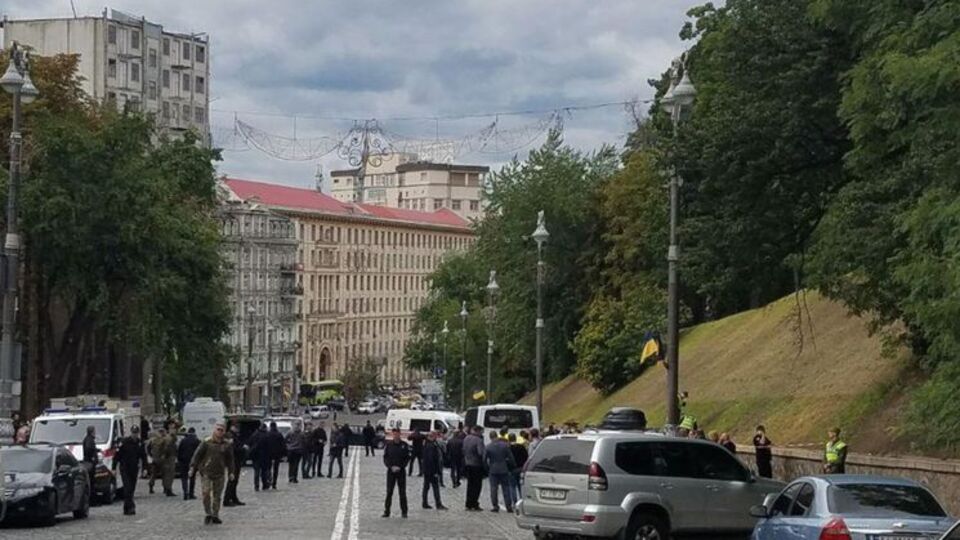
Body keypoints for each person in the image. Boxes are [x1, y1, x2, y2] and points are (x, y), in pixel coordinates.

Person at [190, 423, 235, 525]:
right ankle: (208, 513)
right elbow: (197, 455)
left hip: (220, 473)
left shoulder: (226, 444)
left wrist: (231, 472)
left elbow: (230, 460)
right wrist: (192, 467)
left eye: (222, 430)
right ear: (214, 430)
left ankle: (215, 514)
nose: (220, 432)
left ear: (224, 432)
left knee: (217, 496)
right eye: (218, 429)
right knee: (206, 493)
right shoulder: (206, 442)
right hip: (206, 472)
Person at [114, 425, 147, 516]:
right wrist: (113, 468)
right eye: (133, 433)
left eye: (136, 433)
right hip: (125, 468)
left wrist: (145, 468)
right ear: (131, 433)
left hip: (134, 468)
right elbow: (117, 456)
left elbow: (143, 456)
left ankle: (126, 508)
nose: (134, 435)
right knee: (127, 488)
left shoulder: (140, 443)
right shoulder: (124, 442)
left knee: (131, 489)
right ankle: (131, 507)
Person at [485, 430, 516, 513]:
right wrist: (512, 466)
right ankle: (508, 506)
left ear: (490, 437)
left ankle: (495, 506)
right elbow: (511, 458)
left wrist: (487, 468)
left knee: (493, 488)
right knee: (506, 488)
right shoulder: (505, 446)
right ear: (497, 436)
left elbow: (484, 459)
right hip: (504, 468)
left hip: (493, 469)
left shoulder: (488, 447)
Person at [382, 428, 410, 518]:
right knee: (389, 492)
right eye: (394, 434)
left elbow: (407, 458)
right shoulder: (389, 445)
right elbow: (385, 457)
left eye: (397, 434)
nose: (396, 436)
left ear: (400, 434)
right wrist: (390, 466)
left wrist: (401, 467)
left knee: (402, 492)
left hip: (401, 471)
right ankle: (387, 511)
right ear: (392, 435)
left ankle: (404, 512)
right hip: (391, 472)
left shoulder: (404, 445)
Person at [421, 431, 447, 510]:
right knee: (435, 487)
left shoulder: (426, 444)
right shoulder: (431, 446)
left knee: (426, 487)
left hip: (426, 470)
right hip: (431, 471)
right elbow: (432, 460)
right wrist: (436, 471)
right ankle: (438, 504)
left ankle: (424, 503)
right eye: (435, 436)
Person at [462, 425, 486, 511]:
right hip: (477, 465)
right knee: (477, 485)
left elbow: (463, 450)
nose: (482, 433)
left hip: (468, 463)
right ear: (478, 431)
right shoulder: (478, 440)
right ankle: (474, 503)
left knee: (470, 485)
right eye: (481, 432)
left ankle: (468, 503)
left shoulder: (466, 438)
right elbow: (480, 453)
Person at [223, 425, 246, 506]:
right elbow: (232, 449)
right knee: (232, 480)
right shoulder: (229, 436)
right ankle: (226, 500)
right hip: (233, 461)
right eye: (236, 427)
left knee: (235, 481)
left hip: (236, 460)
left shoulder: (234, 436)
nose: (238, 429)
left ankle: (233, 498)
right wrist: (243, 448)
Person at [177, 427, 201, 500]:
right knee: (192, 478)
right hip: (193, 462)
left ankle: (185, 492)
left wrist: (179, 460)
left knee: (184, 478)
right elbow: (199, 452)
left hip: (183, 461)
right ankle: (191, 493)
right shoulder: (197, 441)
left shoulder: (183, 440)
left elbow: (179, 451)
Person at [247, 423, 271, 490]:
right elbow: (269, 446)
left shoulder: (255, 434)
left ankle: (256, 486)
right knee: (264, 471)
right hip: (264, 456)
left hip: (256, 456)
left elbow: (249, 443)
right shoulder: (267, 435)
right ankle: (264, 485)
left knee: (256, 472)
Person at [508, 433, 528, 502]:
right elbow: (526, 457)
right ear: (515, 439)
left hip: (511, 469)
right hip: (520, 468)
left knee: (512, 487)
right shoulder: (521, 447)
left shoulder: (508, 448)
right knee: (520, 486)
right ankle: (521, 500)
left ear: (509, 439)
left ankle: (515, 502)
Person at [81, 425, 99, 500]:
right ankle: (92, 499)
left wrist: (97, 450)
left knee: (91, 480)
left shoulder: (88, 439)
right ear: (92, 432)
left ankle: (92, 498)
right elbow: (89, 449)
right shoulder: (89, 440)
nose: (95, 433)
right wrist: (93, 457)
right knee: (91, 481)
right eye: (94, 431)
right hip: (90, 463)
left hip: (89, 462)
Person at [266, 422, 286, 489]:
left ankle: (269, 479)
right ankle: (274, 483)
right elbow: (283, 445)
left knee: (268, 468)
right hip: (277, 454)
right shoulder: (279, 434)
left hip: (268, 454)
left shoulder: (267, 434)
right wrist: (284, 454)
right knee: (276, 469)